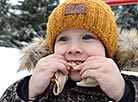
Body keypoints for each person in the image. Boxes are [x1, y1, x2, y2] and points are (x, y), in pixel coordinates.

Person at [1, 0, 138, 101]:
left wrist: (124, 93)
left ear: (108, 47)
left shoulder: (124, 85)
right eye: (63, 39)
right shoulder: (43, 84)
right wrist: (28, 90)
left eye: (87, 37)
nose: (73, 49)